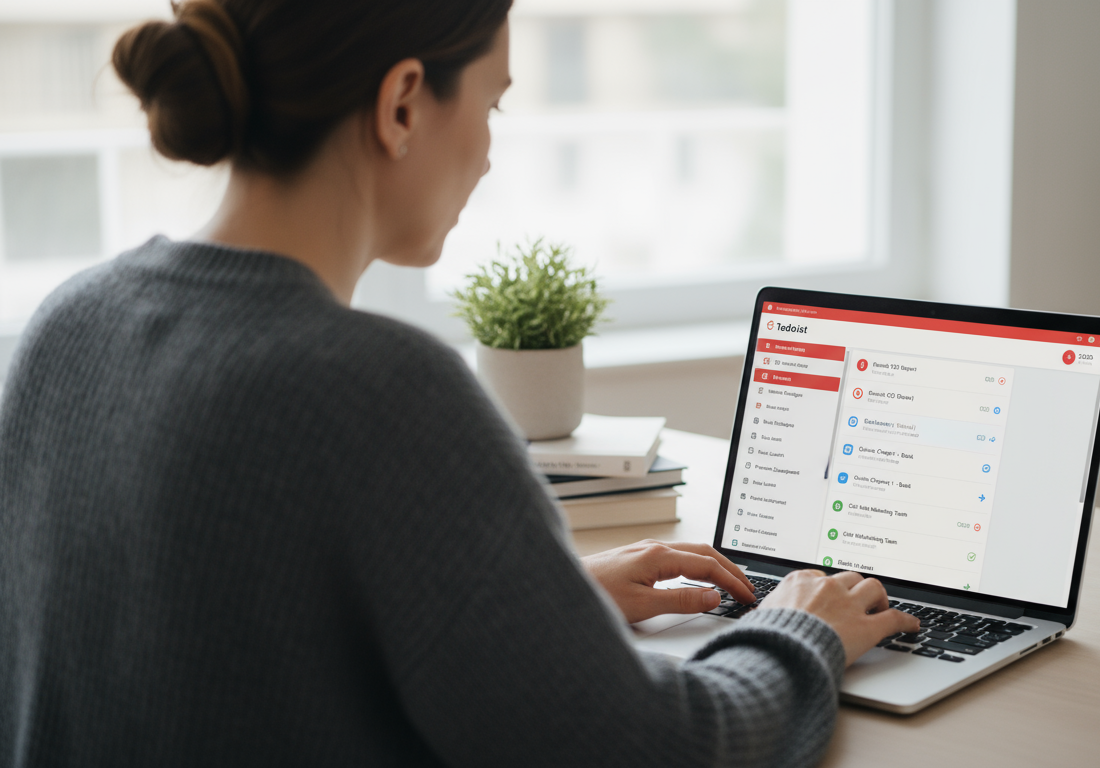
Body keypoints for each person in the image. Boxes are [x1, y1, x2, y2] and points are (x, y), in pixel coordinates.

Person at [0, 1, 918, 765]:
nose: (487, 151)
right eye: (492, 105)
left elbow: (213, 650)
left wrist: (539, 606)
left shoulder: (68, 327)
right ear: (402, 103)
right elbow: (656, 751)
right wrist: (805, 633)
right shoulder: (381, 390)